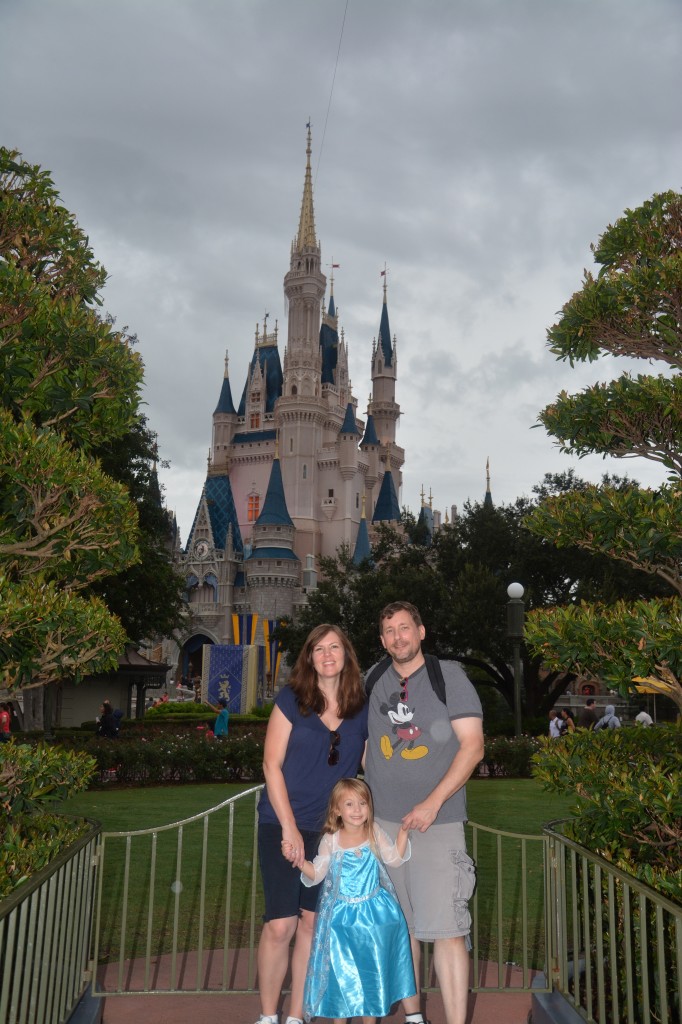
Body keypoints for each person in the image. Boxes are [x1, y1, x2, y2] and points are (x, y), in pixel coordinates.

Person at [364, 601, 484, 1024]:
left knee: (447, 931)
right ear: (382, 640)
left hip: (438, 823)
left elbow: (473, 746)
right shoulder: (373, 678)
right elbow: (363, 741)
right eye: (389, 631)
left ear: (421, 631)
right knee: (401, 930)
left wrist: (432, 803)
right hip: (383, 826)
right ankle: (414, 1017)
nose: (398, 637)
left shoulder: (448, 676)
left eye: (404, 628)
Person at [253, 624, 368, 1024]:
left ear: (346, 655)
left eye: (334, 647)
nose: (327, 655)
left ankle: (296, 1016)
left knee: (312, 924)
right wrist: (288, 827)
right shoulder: (292, 699)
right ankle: (269, 1015)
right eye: (319, 649)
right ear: (310, 657)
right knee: (280, 924)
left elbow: (374, 763)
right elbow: (271, 764)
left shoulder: (361, 707)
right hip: (282, 822)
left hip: (330, 833)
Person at [283, 778, 416, 1024]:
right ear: (337, 810)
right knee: (342, 974)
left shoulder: (373, 831)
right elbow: (317, 873)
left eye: (362, 803)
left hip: (374, 918)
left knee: (371, 973)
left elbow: (394, 859)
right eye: (349, 804)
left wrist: (403, 832)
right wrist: (299, 861)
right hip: (340, 921)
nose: (357, 810)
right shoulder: (331, 839)